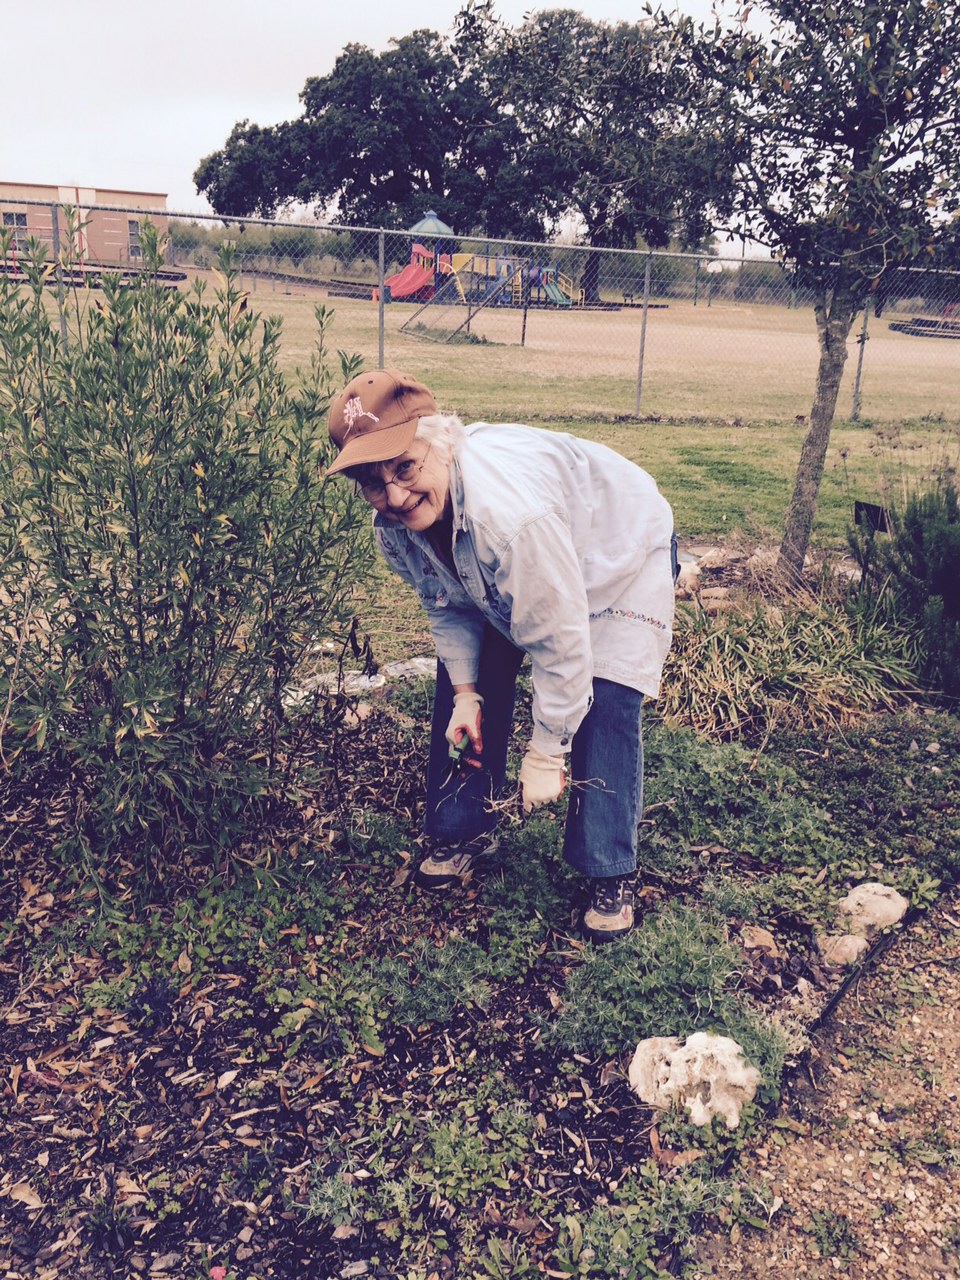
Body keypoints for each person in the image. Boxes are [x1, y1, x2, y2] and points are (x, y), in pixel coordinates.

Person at [326, 369, 676, 943]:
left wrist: (545, 751)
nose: (393, 496)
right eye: (370, 481)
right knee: (466, 677)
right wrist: (467, 695)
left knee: (605, 695)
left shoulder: (508, 523)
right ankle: (464, 829)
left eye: (405, 468)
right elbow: (446, 603)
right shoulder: (393, 527)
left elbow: (561, 644)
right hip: (536, 564)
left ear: (440, 444)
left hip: (616, 546)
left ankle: (607, 868)